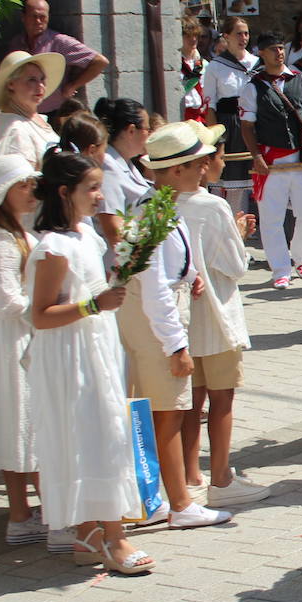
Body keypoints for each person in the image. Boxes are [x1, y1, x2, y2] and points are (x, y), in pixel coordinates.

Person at [26, 148, 153, 573]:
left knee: (106, 433)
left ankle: (90, 532)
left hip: (97, 344)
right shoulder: (53, 247)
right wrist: (91, 306)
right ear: (65, 192)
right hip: (69, 353)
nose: (100, 196)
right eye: (92, 188)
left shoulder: (85, 234)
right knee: (87, 437)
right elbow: (40, 316)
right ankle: (109, 535)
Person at [117, 124, 231, 529]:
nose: (205, 167)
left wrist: (189, 275)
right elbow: (155, 291)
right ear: (178, 169)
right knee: (167, 412)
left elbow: (166, 270)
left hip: (155, 318)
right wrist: (176, 346)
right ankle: (180, 504)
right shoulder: (155, 212)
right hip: (157, 327)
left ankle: (155, 501)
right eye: (197, 162)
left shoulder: (160, 204)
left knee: (163, 410)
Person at [177, 120, 269, 507]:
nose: (218, 161)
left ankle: (188, 474)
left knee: (189, 402)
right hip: (215, 316)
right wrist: (238, 233)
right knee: (222, 399)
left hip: (180, 320)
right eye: (215, 156)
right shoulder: (212, 206)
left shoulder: (155, 201)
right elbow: (235, 265)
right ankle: (219, 477)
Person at [239, 32, 302, 288]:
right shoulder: (253, 86)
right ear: (262, 54)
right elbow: (246, 126)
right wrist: (256, 157)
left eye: (281, 48)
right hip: (271, 161)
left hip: (301, 160)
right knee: (271, 218)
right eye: (273, 49)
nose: (279, 53)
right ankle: (280, 268)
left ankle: (299, 255)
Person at [0, 153, 42, 544]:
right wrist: (47, 305)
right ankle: (22, 514)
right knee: (19, 421)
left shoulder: (21, 234)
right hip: (11, 339)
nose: (31, 191)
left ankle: (28, 511)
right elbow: (6, 300)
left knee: (29, 422)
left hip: (26, 335)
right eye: (22, 185)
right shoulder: (0, 242)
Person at [8, 0, 110, 115]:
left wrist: (73, 85)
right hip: (23, 111)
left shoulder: (59, 42)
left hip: (54, 112)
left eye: (43, 17)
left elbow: (100, 62)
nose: (38, 21)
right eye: (34, 16)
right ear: (23, 17)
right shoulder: (16, 43)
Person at [202, 17, 259, 217]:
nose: (243, 38)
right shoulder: (216, 67)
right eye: (238, 33)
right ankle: (219, 225)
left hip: (252, 124)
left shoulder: (257, 64)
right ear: (226, 36)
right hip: (228, 126)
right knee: (224, 180)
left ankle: (240, 229)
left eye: (246, 33)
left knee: (246, 182)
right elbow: (210, 106)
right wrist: (216, 139)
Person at [92, 97, 152, 248]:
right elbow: (114, 230)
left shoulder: (126, 163)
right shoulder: (108, 166)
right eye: (147, 129)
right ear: (131, 130)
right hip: (119, 264)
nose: (149, 135)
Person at [0, 51, 63, 164]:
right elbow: (22, 179)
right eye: (32, 80)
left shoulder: (33, 119)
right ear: (11, 84)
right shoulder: (14, 130)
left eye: (42, 79)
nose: (40, 86)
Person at [180, 16, 208, 122]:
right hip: (181, 117)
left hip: (200, 118)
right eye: (188, 36)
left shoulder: (204, 64)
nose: (193, 39)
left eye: (196, 35)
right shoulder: (174, 66)